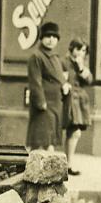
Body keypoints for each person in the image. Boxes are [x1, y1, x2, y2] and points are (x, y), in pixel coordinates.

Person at [25, 21, 70, 151]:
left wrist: (65, 85)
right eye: (48, 36)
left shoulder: (55, 57)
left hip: (55, 103)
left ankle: (47, 167)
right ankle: (36, 167)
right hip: (44, 104)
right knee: (41, 139)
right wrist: (41, 102)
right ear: (42, 38)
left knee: (50, 139)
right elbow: (35, 81)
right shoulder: (36, 56)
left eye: (54, 37)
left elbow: (60, 75)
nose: (51, 40)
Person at [63, 38, 94, 176]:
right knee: (69, 132)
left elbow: (89, 80)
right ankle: (65, 165)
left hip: (78, 103)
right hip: (66, 100)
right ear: (71, 49)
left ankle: (68, 164)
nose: (81, 53)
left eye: (83, 50)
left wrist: (81, 67)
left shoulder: (81, 65)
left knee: (75, 132)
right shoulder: (64, 62)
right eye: (78, 49)